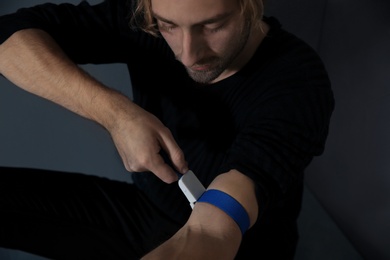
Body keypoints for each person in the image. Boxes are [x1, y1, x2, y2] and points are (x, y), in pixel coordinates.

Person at [0, 0, 335, 259]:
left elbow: (217, 226)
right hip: (145, 213)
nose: (188, 54)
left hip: (242, 246)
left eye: (213, 25)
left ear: (250, 5)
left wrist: (206, 232)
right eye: (168, 25)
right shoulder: (143, 20)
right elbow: (8, 39)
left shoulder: (299, 81)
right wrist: (115, 114)